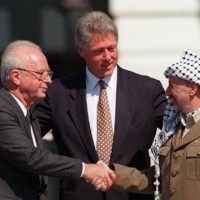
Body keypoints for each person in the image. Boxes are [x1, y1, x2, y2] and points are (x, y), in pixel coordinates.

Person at [34, 11, 166, 200]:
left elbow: (180, 134)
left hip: (131, 195)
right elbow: (25, 138)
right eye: (98, 51)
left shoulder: (148, 90)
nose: (107, 57)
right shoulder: (58, 93)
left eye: (112, 48)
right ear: (81, 50)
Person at [0, 40, 115, 200]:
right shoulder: (3, 109)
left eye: (49, 74)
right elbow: (31, 158)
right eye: (41, 74)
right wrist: (84, 169)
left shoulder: (29, 113)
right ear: (16, 76)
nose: (48, 80)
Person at [111, 49, 200, 200]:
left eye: (172, 85)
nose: (167, 93)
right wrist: (113, 175)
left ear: (192, 88)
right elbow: (159, 178)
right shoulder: (174, 129)